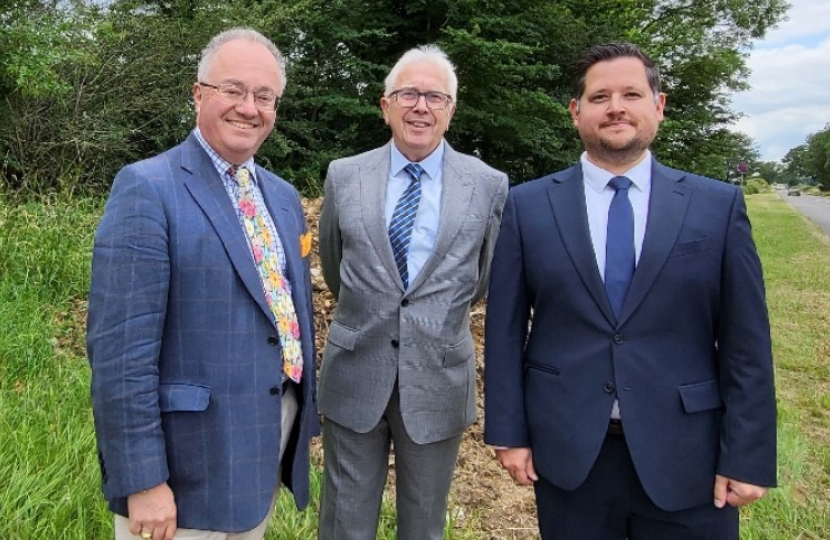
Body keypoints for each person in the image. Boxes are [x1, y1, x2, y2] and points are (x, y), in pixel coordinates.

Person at [483, 42, 776, 540]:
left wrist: (747, 455)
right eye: (599, 97)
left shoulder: (717, 207)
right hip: (571, 455)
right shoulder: (527, 207)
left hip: (691, 455)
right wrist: (508, 434)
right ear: (576, 113)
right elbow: (505, 332)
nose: (615, 106)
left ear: (657, 106)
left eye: (631, 94)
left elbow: (747, 343)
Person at [87, 28, 318, 540]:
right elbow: (120, 356)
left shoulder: (281, 196)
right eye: (232, 90)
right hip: (186, 462)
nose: (249, 108)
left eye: (264, 96)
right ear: (198, 94)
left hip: (266, 434)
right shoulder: (147, 188)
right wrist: (143, 481)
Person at [317, 44, 509, 540]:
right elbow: (336, 268)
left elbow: (480, 279)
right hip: (355, 371)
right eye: (408, 94)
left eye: (435, 96)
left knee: (424, 522)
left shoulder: (488, 185)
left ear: (451, 109)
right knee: (344, 522)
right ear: (385, 105)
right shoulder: (345, 175)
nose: (420, 106)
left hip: (439, 380)